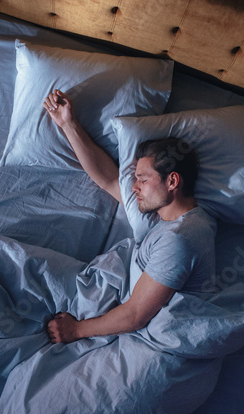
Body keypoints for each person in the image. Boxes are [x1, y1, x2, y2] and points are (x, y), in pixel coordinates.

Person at [42, 89, 216, 344]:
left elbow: (136, 315)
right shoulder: (162, 216)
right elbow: (110, 179)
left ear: (172, 181)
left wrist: (75, 331)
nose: (134, 188)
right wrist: (68, 124)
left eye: (142, 180)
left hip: (154, 344)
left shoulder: (180, 239)